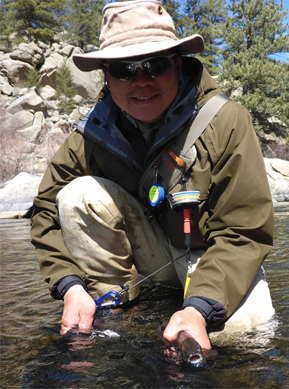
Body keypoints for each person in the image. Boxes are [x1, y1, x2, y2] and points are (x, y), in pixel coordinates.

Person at [30, 0, 275, 351]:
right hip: (151, 258)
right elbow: (45, 211)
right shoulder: (90, 135)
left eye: (153, 65)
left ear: (176, 65)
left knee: (243, 340)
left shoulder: (226, 120)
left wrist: (200, 308)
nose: (140, 81)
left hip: (210, 255)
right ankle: (115, 307)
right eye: (124, 69)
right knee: (76, 195)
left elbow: (244, 232)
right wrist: (70, 287)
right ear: (107, 77)